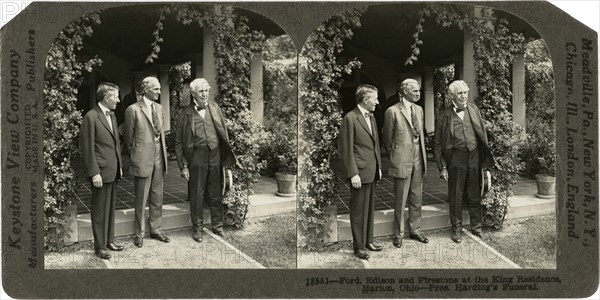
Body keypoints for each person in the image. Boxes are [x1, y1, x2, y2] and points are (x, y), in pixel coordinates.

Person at [175, 78, 236, 242]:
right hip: (197, 157)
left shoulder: (215, 108)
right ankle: (197, 229)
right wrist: (183, 166)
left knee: (216, 193)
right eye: (201, 91)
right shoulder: (185, 114)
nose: (205, 94)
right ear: (193, 93)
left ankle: (218, 226)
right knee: (197, 194)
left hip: (215, 155)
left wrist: (225, 159)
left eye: (207, 90)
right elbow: (179, 142)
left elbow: (224, 132)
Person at [434, 80, 494, 243]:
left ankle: (476, 227)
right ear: (452, 95)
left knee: (474, 193)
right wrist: (442, 166)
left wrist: (483, 158)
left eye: (465, 92)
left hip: (474, 157)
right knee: (456, 195)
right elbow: (438, 143)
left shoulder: (474, 109)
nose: (463, 96)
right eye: (460, 93)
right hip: (456, 159)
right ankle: (456, 229)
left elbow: (483, 133)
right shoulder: (444, 115)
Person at [79, 82, 124, 260]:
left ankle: (109, 241)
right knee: (99, 210)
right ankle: (100, 247)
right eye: (116, 97)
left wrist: (119, 166)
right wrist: (94, 172)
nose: (118, 100)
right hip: (100, 172)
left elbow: (115, 145)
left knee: (111, 208)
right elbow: (86, 148)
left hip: (112, 170)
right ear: (106, 98)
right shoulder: (91, 117)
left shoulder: (111, 116)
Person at [382, 79, 429, 248]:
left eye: (419, 91)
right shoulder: (392, 111)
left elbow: (421, 133)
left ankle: (415, 230)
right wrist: (396, 154)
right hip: (402, 157)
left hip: (419, 155)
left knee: (417, 196)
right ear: (405, 92)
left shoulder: (419, 109)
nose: (418, 94)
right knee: (401, 197)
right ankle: (398, 234)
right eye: (415, 91)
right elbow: (387, 139)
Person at [124, 76, 170, 247]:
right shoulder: (133, 110)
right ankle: (139, 233)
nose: (159, 91)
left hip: (159, 153)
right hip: (142, 156)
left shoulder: (159, 108)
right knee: (141, 197)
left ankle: (156, 230)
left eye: (159, 88)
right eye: (156, 89)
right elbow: (128, 139)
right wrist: (136, 156)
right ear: (146, 89)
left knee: (157, 194)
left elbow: (161, 132)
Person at [339, 84, 383, 260]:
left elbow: (375, 145)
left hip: (372, 171)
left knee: (370, 208)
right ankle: (359, 247)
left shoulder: (371, 118)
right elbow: (346, 149)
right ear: (365, 100)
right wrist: (353, 173)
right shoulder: (350, 118)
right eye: (375, 99)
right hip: (359, 173)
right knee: (358, 211)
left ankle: (368, 241)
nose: (378, 102)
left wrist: (379, 166)